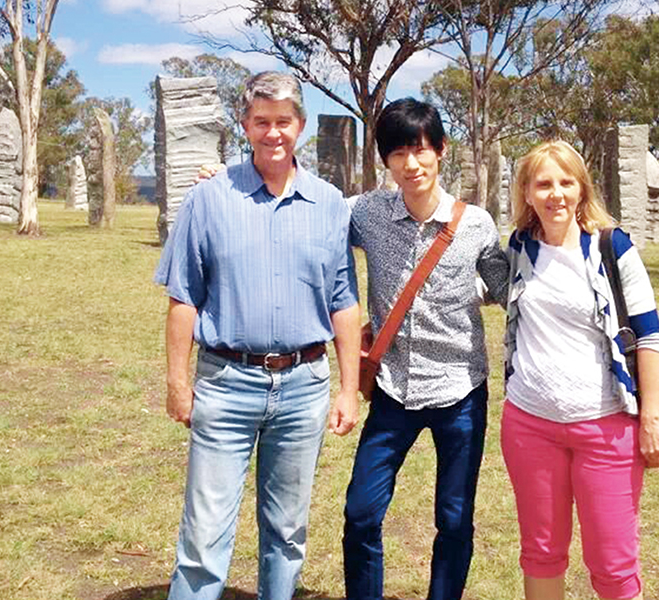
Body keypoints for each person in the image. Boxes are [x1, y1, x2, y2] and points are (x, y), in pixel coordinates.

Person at [154, 71, 361, 600]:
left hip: (303, 387)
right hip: (225, 385)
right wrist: (178, 384)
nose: (274, 133)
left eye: (284, 121)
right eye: (262, 121)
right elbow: (183, 299)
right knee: (203, 538)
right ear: (245, 125)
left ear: (301, 125)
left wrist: (345, 389)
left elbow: (343, 301)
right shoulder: (209, 199)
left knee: (288, 534)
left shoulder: (330, 204)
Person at [342, 98, 508, 600]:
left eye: (419, 150)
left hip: (461, 390)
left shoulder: (476, 223)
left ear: (440, 150)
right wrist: (228, 181)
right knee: (361, 512)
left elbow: (506, 287)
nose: (410, 164)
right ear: (385, 160)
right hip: (392, 390)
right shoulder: (366, 213)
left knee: (454, 519)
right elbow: (303, 211)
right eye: (397, 153)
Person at [501, 140, 659, 600]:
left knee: (614, 563)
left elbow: (650, 335)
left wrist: (650, 418)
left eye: (565, 182)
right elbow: (473, 287)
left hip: (606, 427)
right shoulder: (518, 248)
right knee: (540, 552)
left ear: (581, 189)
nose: (556, 194)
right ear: (528, 194)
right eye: (543, 184)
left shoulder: (612, 246)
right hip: (530, 426)